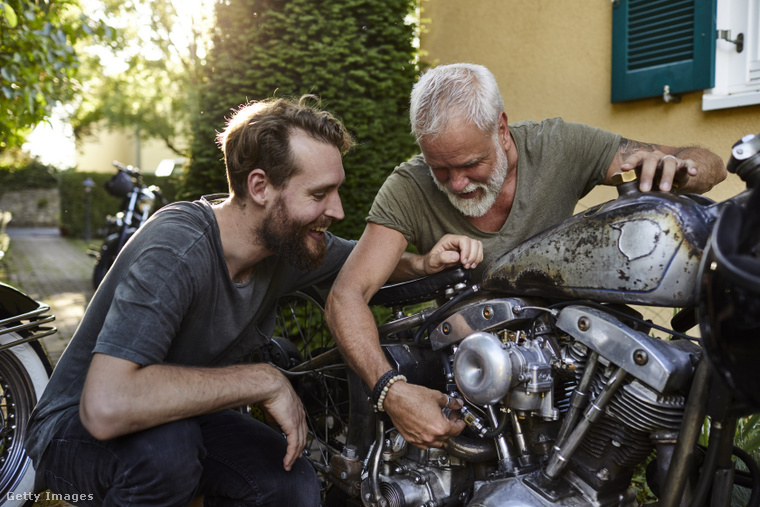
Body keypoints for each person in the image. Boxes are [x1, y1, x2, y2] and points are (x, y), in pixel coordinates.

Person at [23, 95, 475, 506]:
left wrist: (422, 264)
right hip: (75, 433)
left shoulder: (289, 245)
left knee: (291, 484)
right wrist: (263, 380)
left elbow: (357, 261)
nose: (336, 210)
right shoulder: (176, 249)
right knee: (167, 454)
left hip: (188, 419)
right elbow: (106, 407)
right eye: (319, 194)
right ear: (260, 187)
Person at [325, 63, 728, 451]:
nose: (458, 183)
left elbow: (711, 164)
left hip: (565, 362)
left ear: (501, 129)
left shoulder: (559, 145)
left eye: (470, 164)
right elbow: (347, 295)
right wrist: (390, 393)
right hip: (471, 371)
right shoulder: (409, 186)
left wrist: (678, 170)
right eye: (441, 170)